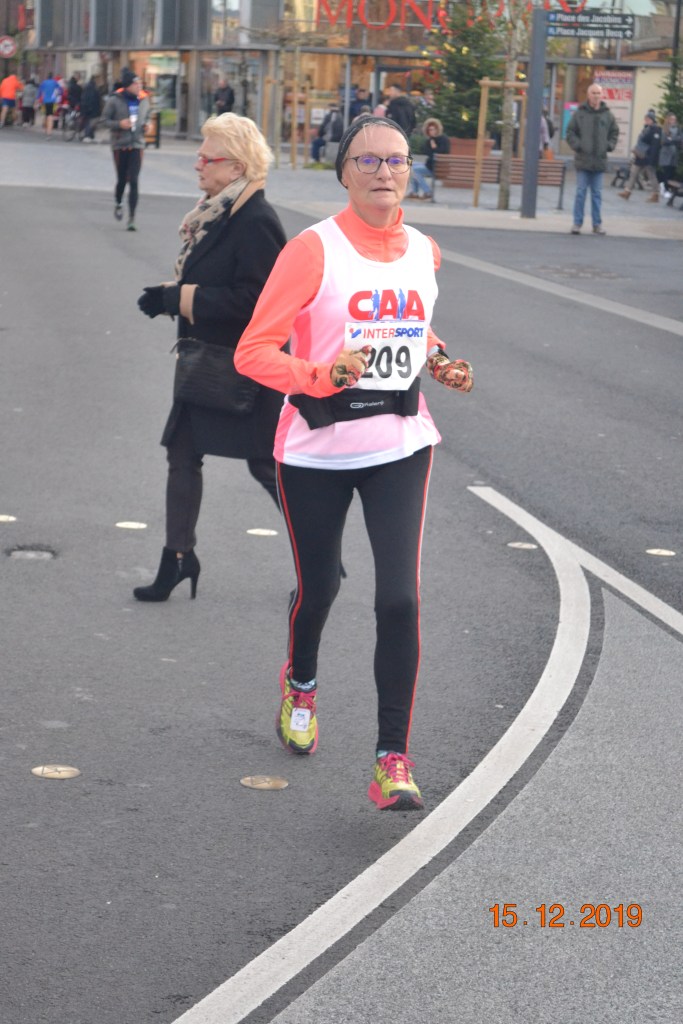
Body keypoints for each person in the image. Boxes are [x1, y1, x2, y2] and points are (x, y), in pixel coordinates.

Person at [235, 115, 473, 812]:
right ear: (343, 173)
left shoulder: (424, 250)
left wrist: (438, 358)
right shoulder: (312, 250)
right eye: (366, 161)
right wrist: (320, 375)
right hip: (316, 448)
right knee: (319, 589)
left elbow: (408, 324)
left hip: (398, 442)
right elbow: (254, 351)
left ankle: (391, 758)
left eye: (395, 160)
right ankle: (301, 683)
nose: (383, 172)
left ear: (410, 170)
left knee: (399, 598)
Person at [133, 113, 287, 602]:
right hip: (206, 362)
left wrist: (179, 298)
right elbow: (216, 280)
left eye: (207, 157)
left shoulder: (257, 221)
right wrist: (170, 296)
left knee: (265, 466)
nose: (198, 164)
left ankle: (319, 559)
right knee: (182, 452)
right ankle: (178, 558)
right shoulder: (218, 213)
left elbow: (258, 301)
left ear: (236, 167)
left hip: (246, 367)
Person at [566, 82, 619, 236]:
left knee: (597, 194)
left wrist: (608, 146)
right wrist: (578, 145)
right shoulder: (580, 113)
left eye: (598, 93)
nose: (596, 96)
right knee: (580, 193)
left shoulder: (607, 115)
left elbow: (614, 132)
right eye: (593, 93)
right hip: (583, 160)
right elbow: (570, 132)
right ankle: (577, 223)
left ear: (601, 95)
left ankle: (597, 224)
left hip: (599, 161)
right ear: (588, 95)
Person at [101, 69, 150, 230]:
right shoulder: (115, 100)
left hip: (137, 144)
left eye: (140, 83)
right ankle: (118, 202)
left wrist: (148, 125)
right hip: (120, 145)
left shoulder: (144, 99)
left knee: (134, 180)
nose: (139, 86)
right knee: (122, 179)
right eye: (136, 84)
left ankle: (132, 218)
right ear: (128, 85)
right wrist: (119, 124)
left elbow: (148, 116)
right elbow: (104, 120)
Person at [618, 110, 662, 202]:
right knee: (633, 173)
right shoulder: (646, 128)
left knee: (651, 175)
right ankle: (627, 191)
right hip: (640, 156)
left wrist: (651, 158)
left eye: (647, 119)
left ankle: (655, 194)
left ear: (652, 119)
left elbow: (655, 146)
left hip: (648, 157)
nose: (646, 120)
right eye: (645, 119)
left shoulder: (656, 130)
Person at [406, 116, 449, 200]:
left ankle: (427, 192)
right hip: (430, 165)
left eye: (433, 129)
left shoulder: (443, 139)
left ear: (437, 129)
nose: (431, 131)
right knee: (410, 165)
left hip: (436, 167)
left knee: (414, 170)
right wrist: (431, 145)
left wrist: (434, 148)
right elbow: (427, 152)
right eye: (429, 130)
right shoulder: (430, 140)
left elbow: (442, 153)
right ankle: (414, 193)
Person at [657, 112, 680, 199]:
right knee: (666, 172)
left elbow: (679, 139)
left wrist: (672, 139)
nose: (674, 121)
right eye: (672, 119)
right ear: (668, 120)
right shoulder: (664, 129)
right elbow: (664, 140)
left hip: (674, 154)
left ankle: (665, 187)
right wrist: (673, 140)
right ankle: (665, 189)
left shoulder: (677, 129)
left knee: (672, 172)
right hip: (666, 154)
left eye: (675, 119)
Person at [37, 72, 62, 137]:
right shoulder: (55, 82)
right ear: (52, 77)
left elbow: (39, 92)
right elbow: (60, 90)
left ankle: (46, 129)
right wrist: (57, 96)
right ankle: (49, 132)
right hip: (53, 101)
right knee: (51, 116)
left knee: (46, 116)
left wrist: (37, 100)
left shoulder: (44, 83)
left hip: (44, 101)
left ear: (47, 77)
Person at [80, 76, 102, 142]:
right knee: (90, 122)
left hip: (88, 108)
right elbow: (92, 99)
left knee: (90, 122)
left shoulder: (89, 87)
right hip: (91, 108)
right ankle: (87, 135)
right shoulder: (92, 88)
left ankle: (90, 136)